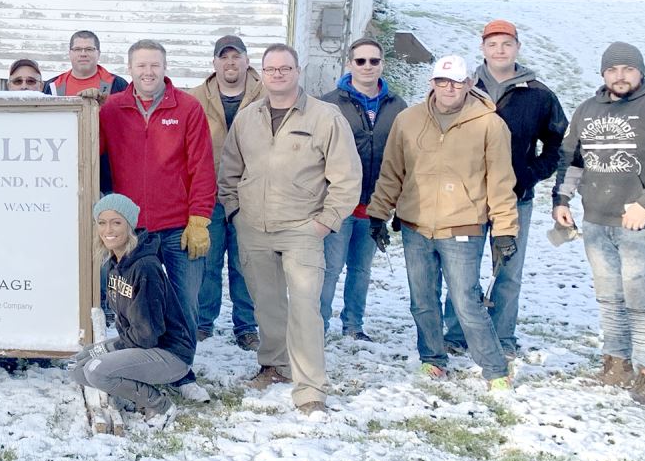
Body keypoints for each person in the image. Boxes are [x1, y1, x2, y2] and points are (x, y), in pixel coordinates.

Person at [552, 42, 645, 407]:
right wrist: (562, 200)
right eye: (612, 70)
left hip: (643, 225)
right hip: (597, 222)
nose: (620, 76)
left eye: (627, 69)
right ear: (603, 74)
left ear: (640, 72)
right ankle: (616, 365)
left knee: (641, 300)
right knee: (609, 298)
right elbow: (572, 159)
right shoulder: (587, 110)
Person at [221, 44, 359, 414]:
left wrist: (325, 221)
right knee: (266, 304)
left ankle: (310, 388)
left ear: (298, 71)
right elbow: (230, 171)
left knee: (304, 308)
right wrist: (235, 212)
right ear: (261, 74)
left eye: (285, 68)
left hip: (302, 227)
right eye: (271, 69)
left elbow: (346, 178)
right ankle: (275, 365)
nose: (278, 75)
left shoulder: (324, 117)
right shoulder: (248, 118)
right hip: (254, 227)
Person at [367, 55, 517, 392]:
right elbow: (392, 172)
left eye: (456, 82)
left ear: (469, 84)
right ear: (432, 83)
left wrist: (505, 230)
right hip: (415, 226)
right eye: (442, 81)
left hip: (463, 226)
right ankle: (432, 360)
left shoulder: (489, 125)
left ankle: (495, 370)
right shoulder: (409, 120)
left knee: (467, 301)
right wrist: (379, 213)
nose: (449, 88)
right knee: (422, 299)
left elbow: (500, 182)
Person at [441, 19, 568, 358]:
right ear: (482, 48)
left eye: (506, 44)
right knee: (461, 271)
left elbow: (560, 142)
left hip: (514, 199)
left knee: (507, 272)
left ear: (517, 48)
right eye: (493, 44)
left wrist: (531, 173)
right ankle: (456, 333)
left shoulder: (538, 94)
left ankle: (503, 337)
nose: (500, 50)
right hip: (466, 200)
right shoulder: (463, 87)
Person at [97, 40, 216, 384]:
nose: (148, 72)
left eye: (154, 65)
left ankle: (181, 371)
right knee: (134, 305)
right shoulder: (113, 109)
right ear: (130, 69)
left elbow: (202, 168)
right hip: (133, 232)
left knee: (183, 303)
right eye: (141, 66)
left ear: (165, 68)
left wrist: (199, 219)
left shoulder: (188, 108)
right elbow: (90, 151)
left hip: (178, 225)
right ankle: (141, 364)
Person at [70, 194, 197, 427]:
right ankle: (130, 393)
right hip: (140, 344)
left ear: (130, 226)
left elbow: (147, 334)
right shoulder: (115, 264)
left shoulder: (146, 267)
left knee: (96, 369)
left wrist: (109, 348)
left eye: (116, 222)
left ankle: (161, 406)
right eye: (102, 222)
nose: (108, 229)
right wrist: (105, 348)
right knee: (78, 366)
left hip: (169, 354)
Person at [318, 37, 408, 343]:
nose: (367, 67)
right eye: (360, 61)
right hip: (337, 205)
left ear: (382, 64)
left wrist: (399, 203)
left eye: (374, 61)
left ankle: (354, 325)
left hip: (375, 206)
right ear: (349, 64)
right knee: (330, 268)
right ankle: (317, 324)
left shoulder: (397, 105)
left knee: (361, 270)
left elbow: (404, 155)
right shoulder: (330, 102)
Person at [188, 34, 262, 350]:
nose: (230, 63)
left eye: (236, 56)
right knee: (208, 262)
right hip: (210, 194)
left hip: (251, 195)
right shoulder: (195, 99)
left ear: (247, 61)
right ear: (214, 63)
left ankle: (246, 326)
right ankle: (204, 322)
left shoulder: (267, 94)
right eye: (224, 57)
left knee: (246, 264)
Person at [48, 31, 130, 96]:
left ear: (98, 53)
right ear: (70, 53)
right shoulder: (52, 86)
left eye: (89, 49)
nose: (83, 54)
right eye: (77, 49)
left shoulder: (119, 85)